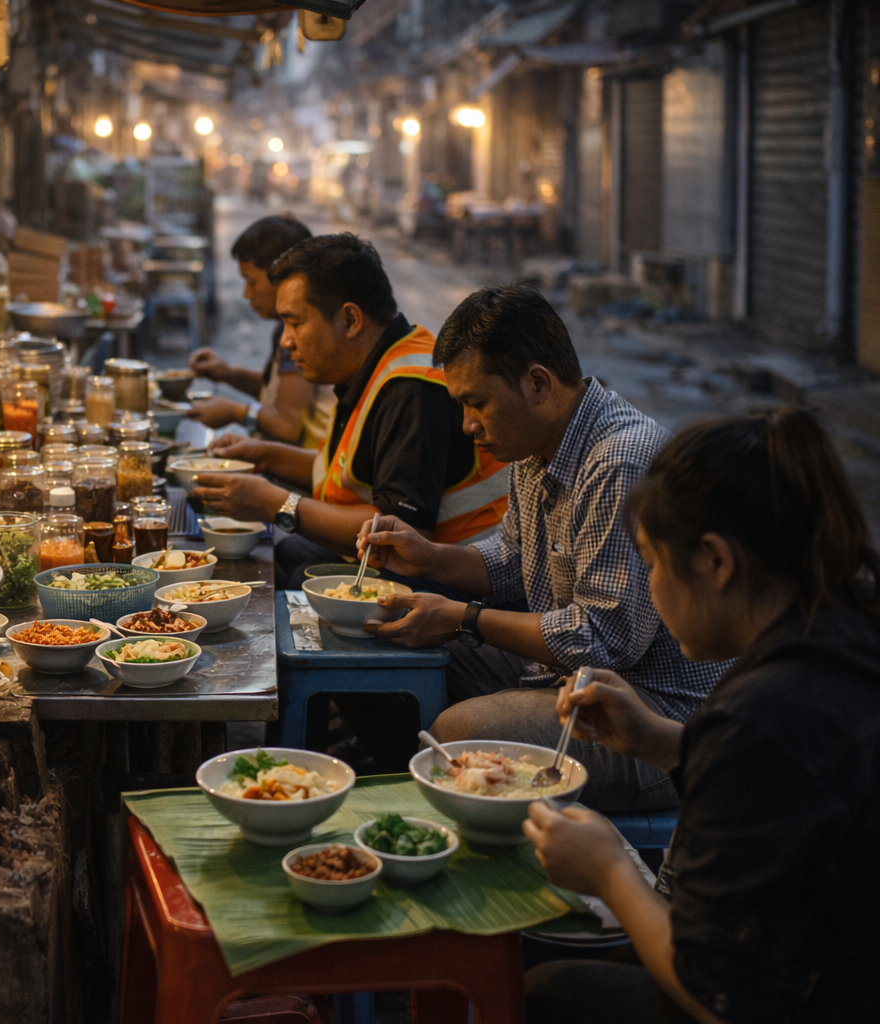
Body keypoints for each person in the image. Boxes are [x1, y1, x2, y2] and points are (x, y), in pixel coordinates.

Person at [523, 408, 880, 1024]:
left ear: (716, 561)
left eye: (651, 563)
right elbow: (793, 783)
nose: (652, 585)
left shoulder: (761, 714)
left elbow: (723, 996)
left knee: (545, 992)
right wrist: (660, 740)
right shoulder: (845, 633)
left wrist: (609, 870)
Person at [355, 285, 726, 810]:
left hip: (650, 714)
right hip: (572, 676)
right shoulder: (535, 447)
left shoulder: (618, 462)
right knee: (386, 649)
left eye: (477, 402)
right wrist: (432, 557)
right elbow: (513, 559)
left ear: (537, 383)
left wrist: (464, 618)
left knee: (459, 730)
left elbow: (602, 641)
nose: (467, 425)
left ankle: (443, 832)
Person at [191, 234, 509, 591]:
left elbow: (402, 532)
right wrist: (265, 457)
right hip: (396, 558)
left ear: (350, 319)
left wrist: (275, 503)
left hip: (454, 582)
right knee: (284, 554)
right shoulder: (375, 367)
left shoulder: (411, 389)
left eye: (295, 323)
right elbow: (347, 474)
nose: (285, 340)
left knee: (294, 575)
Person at [185, 215, 333, 447]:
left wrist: (234, 411)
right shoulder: (285, 328)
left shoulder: (300, 333)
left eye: (252, 282)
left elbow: (288, 423)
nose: (246, 294)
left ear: (283, 278)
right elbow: (279, 393)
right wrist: (229, 374)